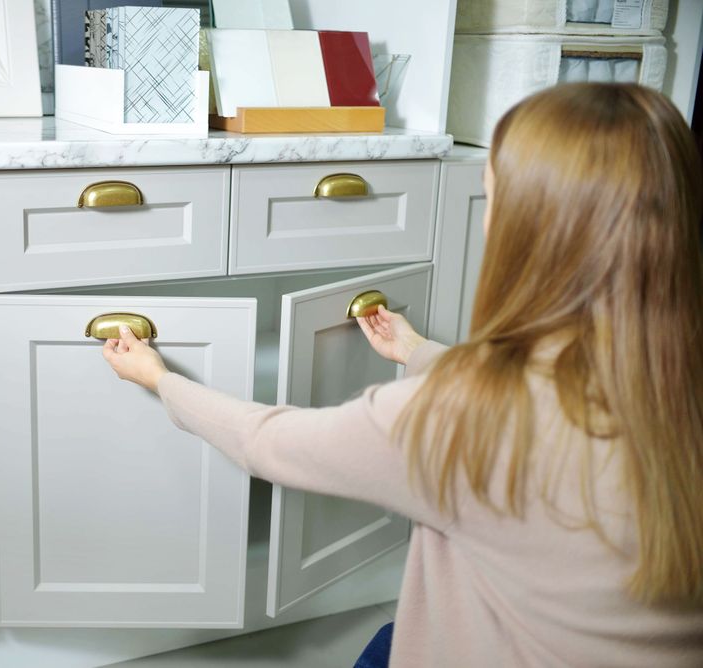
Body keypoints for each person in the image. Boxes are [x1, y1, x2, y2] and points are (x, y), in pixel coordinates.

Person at [101, 83, 703, 667]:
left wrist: (160, 378)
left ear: (525, 232)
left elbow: (270, 442)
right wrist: (420, 353)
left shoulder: (461, 420)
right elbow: (558, 397)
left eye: (492, 198)